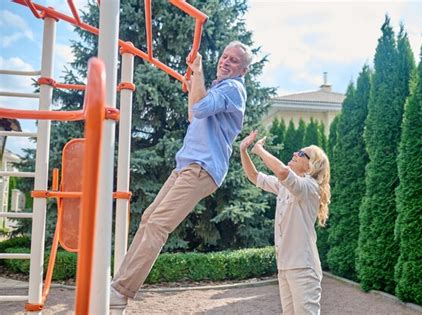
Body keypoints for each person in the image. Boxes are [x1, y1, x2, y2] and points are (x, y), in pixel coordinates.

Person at [110, 41, 253, 307]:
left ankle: (121, 291)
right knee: (149, 218)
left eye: (233, 60)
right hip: (187, 165)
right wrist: (197, 81)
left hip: (201, 167)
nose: (225, 61)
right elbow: (193, 114)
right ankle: (119, 284)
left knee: (158, 225)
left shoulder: (234, 89)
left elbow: (198, 108)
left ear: (242, 70)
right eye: (224, 56)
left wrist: (197, 72)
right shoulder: (219, 88)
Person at [239, 130, 331, 315]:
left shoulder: (310, 187)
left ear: (311, 165)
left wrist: (260, 150)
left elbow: (282, 171)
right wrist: (243, 150)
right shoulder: (285, 186)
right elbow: (254, 176)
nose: (295, 154)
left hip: (304, 268)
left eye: (302, 153)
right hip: (285, 267)